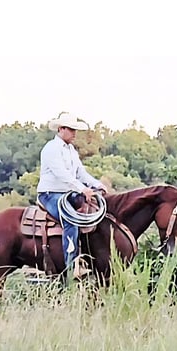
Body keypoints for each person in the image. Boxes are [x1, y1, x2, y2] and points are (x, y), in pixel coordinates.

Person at [37, 112, 107, 278]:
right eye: (71, 129)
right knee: (71, 220)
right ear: (61, 129)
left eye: (75, 129)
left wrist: (97, 184)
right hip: (50, 194)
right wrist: (82, 189)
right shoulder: (51, 149)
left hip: (67, 194)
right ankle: (72, 265)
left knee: (91, 209)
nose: (74, 133)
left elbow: (80, 173)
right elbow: (62, 174)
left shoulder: (71, 151)